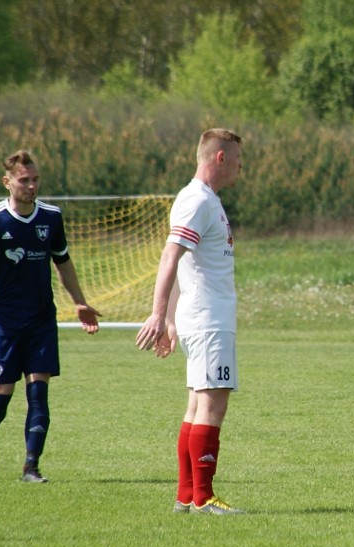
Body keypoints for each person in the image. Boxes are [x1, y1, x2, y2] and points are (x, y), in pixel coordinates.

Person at [0, 149, 101, 483]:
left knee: (39, 392)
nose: (32, 186)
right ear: (7, 182)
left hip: (40, 321)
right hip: (4, 324)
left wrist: (80, 302)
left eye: (36, 180)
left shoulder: (51, 218)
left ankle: (31, 466)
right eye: (24, 180)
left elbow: (63, 262)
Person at [135, 128, 244, 515]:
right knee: (212, 405)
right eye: (236, 159)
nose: (239, 166)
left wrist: (171, 320)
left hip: (200, 317)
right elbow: (170, 256)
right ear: (218, 158)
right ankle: (203, 497)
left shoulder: (203, 200)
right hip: (209, 320)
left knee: (197, 404)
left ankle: (186, 495)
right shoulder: (197, 200)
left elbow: (185, 263)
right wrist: (157, 312)